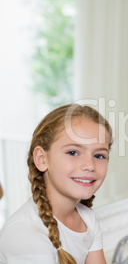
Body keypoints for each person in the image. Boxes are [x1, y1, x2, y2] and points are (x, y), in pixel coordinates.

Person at [0, 104, 113, 264]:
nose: (90, 165)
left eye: (99, 155)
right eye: (73, 152)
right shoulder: (26, 234)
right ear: (41, 159)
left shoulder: (86, 219)